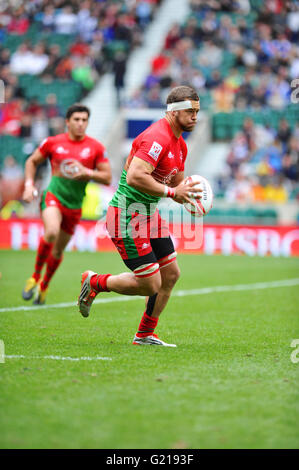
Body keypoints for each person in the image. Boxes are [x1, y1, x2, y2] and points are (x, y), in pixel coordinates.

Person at [78, 86, 202, 347]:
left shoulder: (180, 145)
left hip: (148, 214)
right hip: (126, 215)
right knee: (150, 284)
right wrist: (171, 191)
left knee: (170, 275)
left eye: (197, 112)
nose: (195, 117)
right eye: (190, 111)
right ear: (174, 111)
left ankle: (145, 334)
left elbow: (178, 182)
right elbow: (136, 175)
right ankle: (95, 281)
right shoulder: (157, 137)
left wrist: (192, 195)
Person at [22, 103, 112, 305]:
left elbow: (107, 177)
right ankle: (34, 277)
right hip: (54, 195)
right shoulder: (53, 142)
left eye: (84, 120)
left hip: (74, 204)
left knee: (57, 251)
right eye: (76, 120)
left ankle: (44, 286)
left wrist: (88, 173)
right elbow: (31, 162)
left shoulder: (96, 147)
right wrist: (29, 185)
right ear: (67, 122)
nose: (80, 124)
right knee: (51, 231)